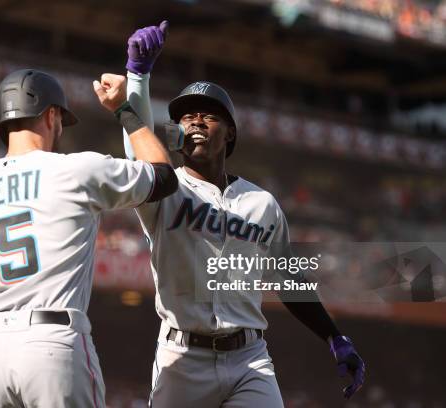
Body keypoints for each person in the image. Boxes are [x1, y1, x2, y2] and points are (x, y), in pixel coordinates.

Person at [122, 22, 365, 407]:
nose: (196, 121)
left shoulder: (262, 203)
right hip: (181, 358)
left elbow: (288, 278)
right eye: (186, 117)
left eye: (209, 115)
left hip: (249, 359)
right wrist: (138, 75)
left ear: (230, 134)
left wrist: (334, 336)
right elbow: (137, 148)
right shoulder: (165, 189)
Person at [0, 69, 178, 407]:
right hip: (53, 342)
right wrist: (124, 108)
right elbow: (164, 177)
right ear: (51, 115)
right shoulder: (76, 169)